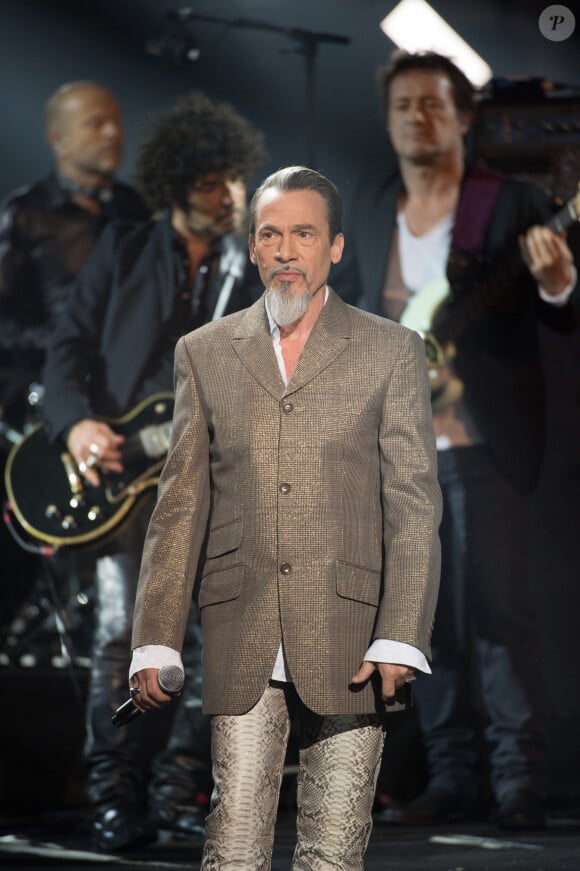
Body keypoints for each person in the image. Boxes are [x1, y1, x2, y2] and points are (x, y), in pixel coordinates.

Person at [128, 165, 442, 869]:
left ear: (333, 247)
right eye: (271, 234)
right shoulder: (204, 353)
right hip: (242, 624)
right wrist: (156, 638)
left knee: (331, 848)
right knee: (234, 843)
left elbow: (414, 502)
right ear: (253, 244)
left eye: (304, 233)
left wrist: (401, 632)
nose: (285, 250)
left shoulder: (391, 349)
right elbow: (179, 504)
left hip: (353, 630)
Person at [334, 50, 577, 830]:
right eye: (404, 105)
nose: (418, 117)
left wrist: (556, 281)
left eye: (434, 104)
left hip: (481, 446)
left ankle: (518, 780)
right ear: (388, 119)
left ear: (463, 117)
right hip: (400, 455)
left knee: (500, 615)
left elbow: (560, 312)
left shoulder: (510, 205)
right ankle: (453, 775)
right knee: (422, 622)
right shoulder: (371, 206)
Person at [41, 91, 267, 852]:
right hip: (125, 480)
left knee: (210, 643)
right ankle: (114, 792)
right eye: (212, 182)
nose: (230, 196)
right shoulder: (125, 248)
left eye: (236, 180)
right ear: (176, 185)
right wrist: (76, 424)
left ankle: (179, 794)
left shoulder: (257, 271)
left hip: (217, 479)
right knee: (123, 636)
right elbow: (67, 347)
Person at [0, 81, 148, 668]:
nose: (112, 133)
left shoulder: (138, 212)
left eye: (115, 120)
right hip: (48, 398)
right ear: (57, 137)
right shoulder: (26, 212)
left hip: (127, 400)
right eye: (94, 123)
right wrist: (68, 343)